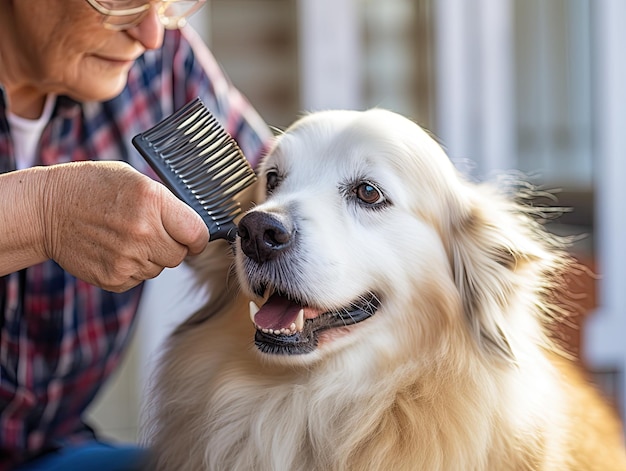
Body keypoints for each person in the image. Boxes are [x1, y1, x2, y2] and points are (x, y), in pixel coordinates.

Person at [0, 0, 272, 469]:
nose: (150, 34)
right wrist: (43, 212)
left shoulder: (160, 64)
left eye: (166, 3)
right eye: (121, 1)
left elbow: (263, 204)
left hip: (51, 449)